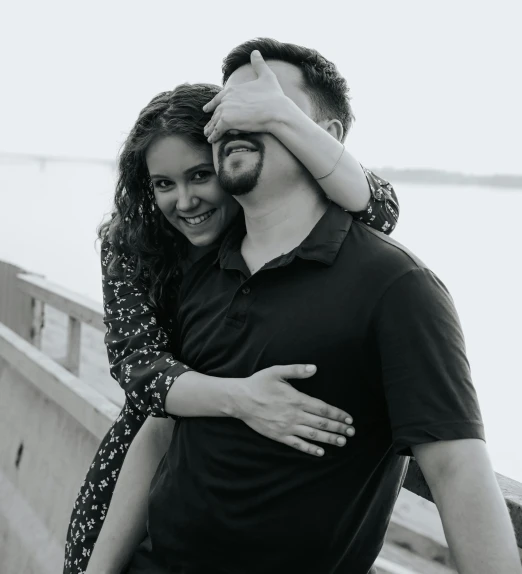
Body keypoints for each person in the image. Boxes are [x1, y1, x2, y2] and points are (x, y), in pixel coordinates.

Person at [94, 39, 521, 574]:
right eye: (228, 109)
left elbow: (458, 469)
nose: (239, 117)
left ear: (326, 141)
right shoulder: (195, 267)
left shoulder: (396, 285)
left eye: (270, 105)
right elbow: (160, 425)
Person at [64, 51, 399, 574]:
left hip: (237, 488)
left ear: (229, 158)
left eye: (201, 175)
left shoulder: (270, 229)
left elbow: (381, 208)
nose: (185, 200)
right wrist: (242, 398)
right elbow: (139, 368)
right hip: (144, 455)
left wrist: (279, 117)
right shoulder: (130, 242)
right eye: (163, 184)